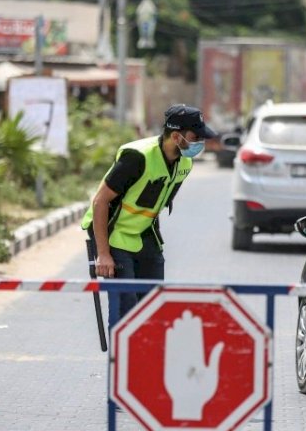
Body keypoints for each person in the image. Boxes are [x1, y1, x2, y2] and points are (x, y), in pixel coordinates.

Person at [81, 104, 216, 318]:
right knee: (125, 307)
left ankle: (145, 342)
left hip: (144, 233)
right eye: (195, 137)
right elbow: (100, 201)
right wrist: (104, 254)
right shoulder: (137, 157)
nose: (200, 142)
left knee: (153, 305)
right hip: (114, 232)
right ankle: (120, 342)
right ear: (176, 137)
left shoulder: (184, 163)